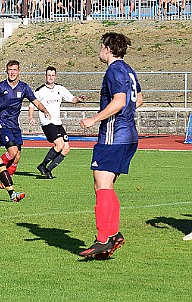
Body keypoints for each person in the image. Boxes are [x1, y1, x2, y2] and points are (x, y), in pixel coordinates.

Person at [79, 32, 143, 259]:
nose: (100, 50)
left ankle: (103, 239)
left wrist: (94, 119)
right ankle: (113, 235)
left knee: (101, 184)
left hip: (114, 134)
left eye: (101, 46)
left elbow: (120, 100)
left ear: (107, 48)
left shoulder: (114, 70)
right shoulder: (129, 70)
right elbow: (139, 100)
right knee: (105, 184)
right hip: (129, 134)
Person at [0, 60, 50, 187]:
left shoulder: (24, 87)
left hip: (15, 126)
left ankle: (6, 180)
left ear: (19, 71)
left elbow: (36, 101)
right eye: (10, 70)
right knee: (13, 151)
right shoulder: (0, 86)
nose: (12, 72)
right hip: (3, 124)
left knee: (17, 157)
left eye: (15, 69)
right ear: (6, 71)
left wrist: (45, 110)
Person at [29, 66, 84, 179]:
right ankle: (43, 165)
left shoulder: (60, 88)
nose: (51, 77)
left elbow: (72, 99)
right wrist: (31, 117)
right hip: (47, 123)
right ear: (46, 76)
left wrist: (78, 99)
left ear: (55, 76)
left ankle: (47, 169)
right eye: (49, 75)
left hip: (58, 123)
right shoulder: (40, 91)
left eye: (53, 75)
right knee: (59, 144)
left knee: (66, 148)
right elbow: (31, 105)